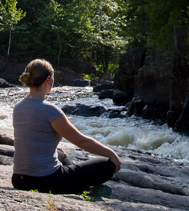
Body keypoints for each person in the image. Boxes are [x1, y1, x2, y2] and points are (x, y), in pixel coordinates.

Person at [10, 58, 122, 194]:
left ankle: (74, 176)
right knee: (107, 165)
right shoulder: (50, 110)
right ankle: (77, 184)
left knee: (60, 154)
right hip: (46, 181)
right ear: (48, 80)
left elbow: (31, 136)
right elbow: (81, 141)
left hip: (19, 179)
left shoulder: (18, 107)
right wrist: (112, 154)